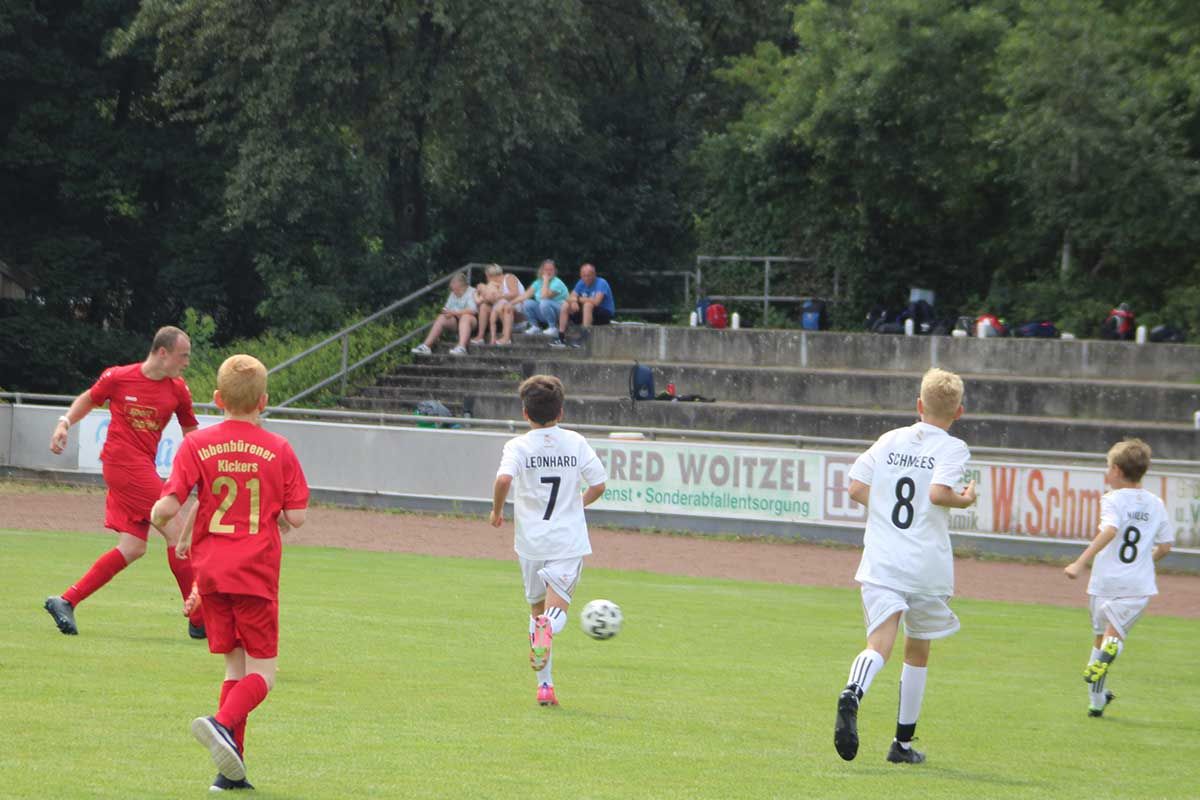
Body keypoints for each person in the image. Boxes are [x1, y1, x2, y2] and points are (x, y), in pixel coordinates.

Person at [151, 354, 309, 792]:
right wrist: (277, 515)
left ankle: (230, 772)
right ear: (264, 401)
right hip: (255, 572)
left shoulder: (196, 445)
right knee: (264, 674)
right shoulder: (279, 448)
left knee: (234, 669)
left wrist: (160, 516)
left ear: (218, 399)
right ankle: (221, 723)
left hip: (211, 575)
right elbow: (297, 517)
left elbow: (170, 504)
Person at [834, 367, 976, 765]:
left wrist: (882, 509)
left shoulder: (889, 439)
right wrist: (965, 499)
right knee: (917, 651)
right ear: (958, 412)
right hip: (925, 564)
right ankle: (902, 744)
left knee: (879, 643)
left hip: (882, 559)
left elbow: (856, 486)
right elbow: (938, 493)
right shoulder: (952, 447)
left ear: (918, 405)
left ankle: (853, 691)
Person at [43, 325, 206, 638]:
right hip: (123, 465)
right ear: (163, 353)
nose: (187, 362)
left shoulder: (178, 390)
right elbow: (89, 399)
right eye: (183, 356)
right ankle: (199, 620)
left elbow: (190, 432)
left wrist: (205, 465)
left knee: (132, 547)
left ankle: (66, 601)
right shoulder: (118, 377)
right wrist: (64, 423)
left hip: (141, 467)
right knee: (176, 532)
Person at [490, 375, 607, 707]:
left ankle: (545, 687)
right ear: (561, 412)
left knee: (536, 609)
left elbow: (503, 479)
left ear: (525, 413)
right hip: (566, 540)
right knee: (556, 612)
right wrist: (577, 504)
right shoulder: (575, 441)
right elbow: (599, 484)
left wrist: (496, 510)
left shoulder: (518, 446)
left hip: (531, 542)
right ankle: (548, 630)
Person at [1064, 438, 1172, 718]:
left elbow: (1110, 530)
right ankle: (1106, 668)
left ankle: (1096, 701)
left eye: (1107, 467)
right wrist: (1144, 562)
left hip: (1104, 582)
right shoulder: (1156, 503)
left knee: (1099, 639)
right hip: (1136, 585)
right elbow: (1165, 546)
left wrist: (1080, 562)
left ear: (1116, 470)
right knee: (1113, 638)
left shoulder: (1112, 499)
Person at [411, 272, 477, 356]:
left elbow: (473, 310)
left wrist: (454, 312)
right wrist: (445, 312)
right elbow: (446, 308)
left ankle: (462, 348)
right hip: (456, 319)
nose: (451, 286)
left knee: (465, 317)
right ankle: (426, 346)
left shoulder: (472, 291)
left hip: (471, 321)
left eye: (453, 284)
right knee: (442, 317)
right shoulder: (453, 293)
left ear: (460, 284)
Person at [555, 262, 615, 343]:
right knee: (566, 305)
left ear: (594, 275)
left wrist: (577, 299)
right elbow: (570, 297)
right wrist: (573, 302)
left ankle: (584, 337)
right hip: (587, 314)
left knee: (588, 305)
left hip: (603, 314)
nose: (586, 278)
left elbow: (596, 302)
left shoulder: (601, 283)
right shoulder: (581, 282)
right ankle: (561, 336)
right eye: (584, 275)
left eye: (588, 275)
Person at [473, 263, 525, 345]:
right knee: (484, 307)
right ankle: (480, 336)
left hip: (517, 312)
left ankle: (507, 338)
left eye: (487, 277)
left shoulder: (509, 277)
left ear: (489, 275)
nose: (487, 279)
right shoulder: (496, 286)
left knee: (505, 306)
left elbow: (515, 293)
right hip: (502, 313)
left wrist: (499, 296)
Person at [517, 259, 569, 337]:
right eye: (546, 269)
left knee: (544, 302)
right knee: (526, 303)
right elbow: (525, 295)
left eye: (551, 270)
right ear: (542, 271)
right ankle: (535, 326)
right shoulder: (538, 282)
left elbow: (544, 296)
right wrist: (510, 303)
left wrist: (545, 281)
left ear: (555, 271)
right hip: (545, 312)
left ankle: (553, 327)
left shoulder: (557, 282)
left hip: (560, 313)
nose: (548, 272)